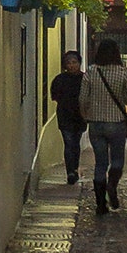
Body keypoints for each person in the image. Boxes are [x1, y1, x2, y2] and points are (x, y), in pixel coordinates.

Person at [78, 36, 127, 216]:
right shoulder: (123, 73)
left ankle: (100, 204)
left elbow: (82, 99)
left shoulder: (90, 72)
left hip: (96, 124)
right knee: (117, 160)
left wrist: (86, 115)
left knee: (100, 163)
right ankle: (112, 185)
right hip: (117, 123)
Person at [50, 49, 86, 184]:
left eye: (74, 62)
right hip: (65, 115)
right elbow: (55, 96)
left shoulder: (85, 79)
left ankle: (74, 169)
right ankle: (70, 172)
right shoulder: (59, 79)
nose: (72, 65)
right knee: (69, 142)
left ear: (79, 63)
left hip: (80, 116)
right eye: (69, 63)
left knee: (75, 144)